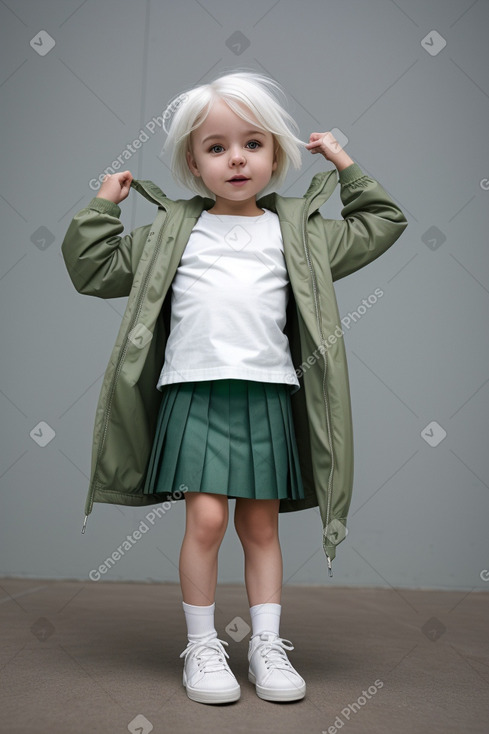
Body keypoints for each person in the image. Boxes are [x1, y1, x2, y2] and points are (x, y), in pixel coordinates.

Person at [61, 70, 408, 706]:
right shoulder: (172, 232)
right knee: (206, 520)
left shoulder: (299, 233)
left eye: (251, 143)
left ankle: (267, 645)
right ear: (193, 163)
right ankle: (201, 645)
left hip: (268, 394)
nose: (236, 158)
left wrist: (342, 159)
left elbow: (382, 220)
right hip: (193, 395)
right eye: (216, 147)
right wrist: (102, 206)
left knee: (261, 527)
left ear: (276, 153)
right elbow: (93, 269)